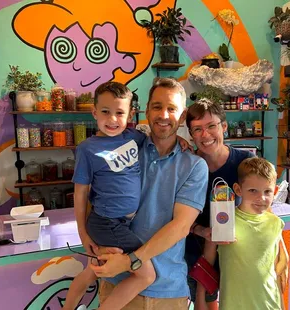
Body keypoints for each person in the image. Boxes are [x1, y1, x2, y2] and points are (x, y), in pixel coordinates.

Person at [90, 77, 209, 310]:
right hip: (118, 284)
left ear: (182, 116)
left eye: (172, 109)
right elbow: (95, 199)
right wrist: (92, 242)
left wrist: (131, 260)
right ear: (146, 111)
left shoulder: (194, 166)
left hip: (167, 289)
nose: (163, 115)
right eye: (157, 107)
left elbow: (181, 226)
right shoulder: (124, 151)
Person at [63, 81, 156, 310]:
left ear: (130, 114)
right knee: (146, 274)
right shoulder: (87, 148)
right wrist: (82, 233)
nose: (112, 119)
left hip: (121, 223)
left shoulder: (136, 138)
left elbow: (160, 143)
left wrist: (182, 141)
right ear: (94, 112)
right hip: (106, 223)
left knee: (92, 271)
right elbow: (80, 193)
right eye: (105, 112)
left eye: (119, 113)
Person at [185, 98, 254, 309]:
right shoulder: (186, 166)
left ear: (224, 126)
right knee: (204, 303)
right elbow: (176, 217)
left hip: (237, 253)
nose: (205, 135)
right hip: (196, 254)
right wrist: (202, 231)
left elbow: (262, 212)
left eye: (211, 126)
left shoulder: (246, 162)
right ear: (191, 135)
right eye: (197, 129)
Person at [198, 157, 286, 310]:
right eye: (253, 191)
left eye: (267, 191)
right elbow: (207, 261)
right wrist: (200, 297)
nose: (261, 198)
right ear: (238, 190)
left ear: (275, 191)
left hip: (270, 303)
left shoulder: (275, 223)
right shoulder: (223, 221)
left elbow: (277, 267)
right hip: (233, 304)